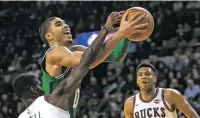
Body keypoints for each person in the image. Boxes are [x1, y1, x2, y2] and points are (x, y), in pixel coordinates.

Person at [39, 10, 148, 118]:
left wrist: (125, 35)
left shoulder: (75, 50)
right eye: (58, 24)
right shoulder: (53, 53)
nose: (66, 26)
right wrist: (107, 30)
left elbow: (115, 56)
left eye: (65, 23)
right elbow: (87, 60)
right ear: (49, 36)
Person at [124, 62, 199, 118]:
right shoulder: (130, 103)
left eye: (147, 74)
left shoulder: (170, 94)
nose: (144, 77)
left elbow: (193, 116)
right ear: (137, 80)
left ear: (154, 79)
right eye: (140, 75)